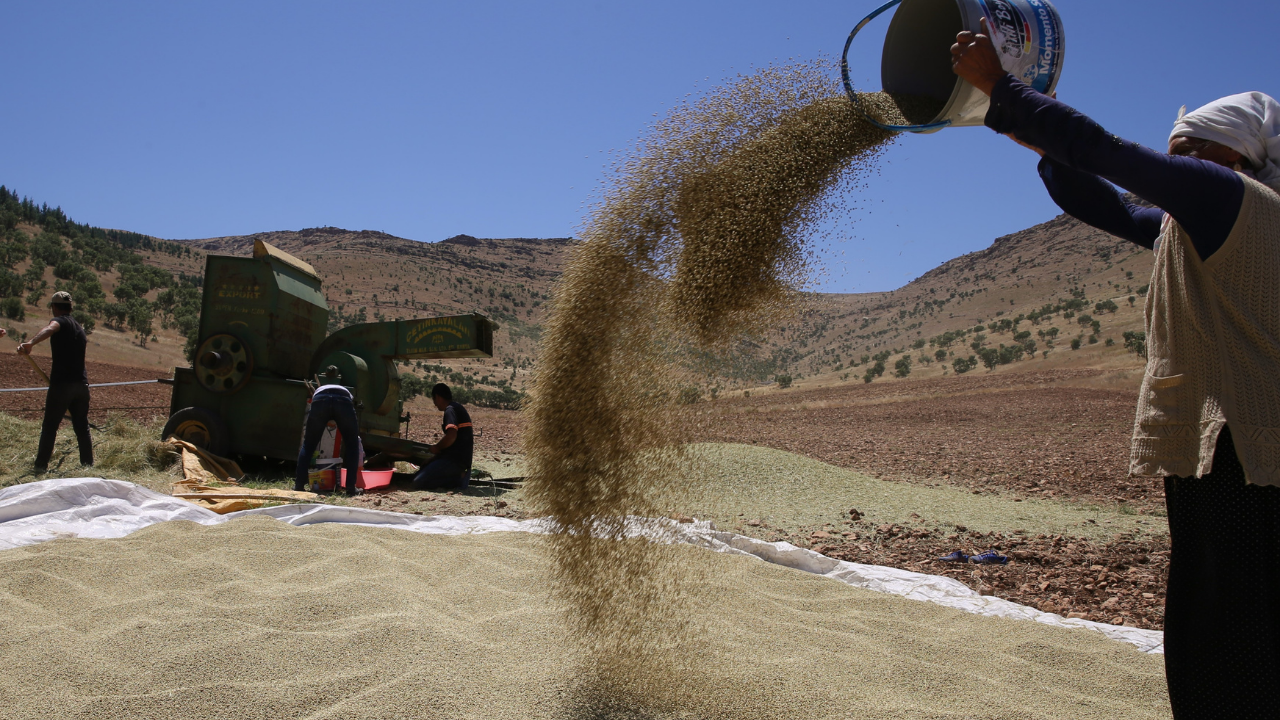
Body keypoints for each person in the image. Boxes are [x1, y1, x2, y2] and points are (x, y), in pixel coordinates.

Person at [953, 22, 1280, 719]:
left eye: (1194, 152)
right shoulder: (1191, 227)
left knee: (1238, 620)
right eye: (1177, 152)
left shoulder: (1238, 204)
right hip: (1216, 450)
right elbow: (1100, 201)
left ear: (1242, 157)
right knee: (1208, 609)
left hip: (1246, 454)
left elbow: (1110, 156)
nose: (1181, 162)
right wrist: (1038, 139)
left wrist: (1005, 88)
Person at [17, 291, 92, 473]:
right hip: (82, 386)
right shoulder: (79, 327)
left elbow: (51, 328)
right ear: (71, 307)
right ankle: (88, 467)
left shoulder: (60, 321)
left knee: (50, 426)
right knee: (82, 426)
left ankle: (40, 466)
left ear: (54, 307)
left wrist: (30, 343)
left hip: (62, 386)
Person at [295, 367, 362, 496]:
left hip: (320, 399)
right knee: (352, 446)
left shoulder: (320, 390)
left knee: (308, 445)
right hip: (343, 401)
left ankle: (299, 485)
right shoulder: (346, 391)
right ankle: (350, 488)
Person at [411, 383, 473, 491]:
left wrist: (437, 448)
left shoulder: (450, 410)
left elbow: (451, 436)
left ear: (438, 397)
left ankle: (458, 478)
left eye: (434, 399)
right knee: (424, 471)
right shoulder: (457, 408)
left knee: (418, 482)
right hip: (458, 460)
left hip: (455, 461)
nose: (435, 404)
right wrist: (433, 459)